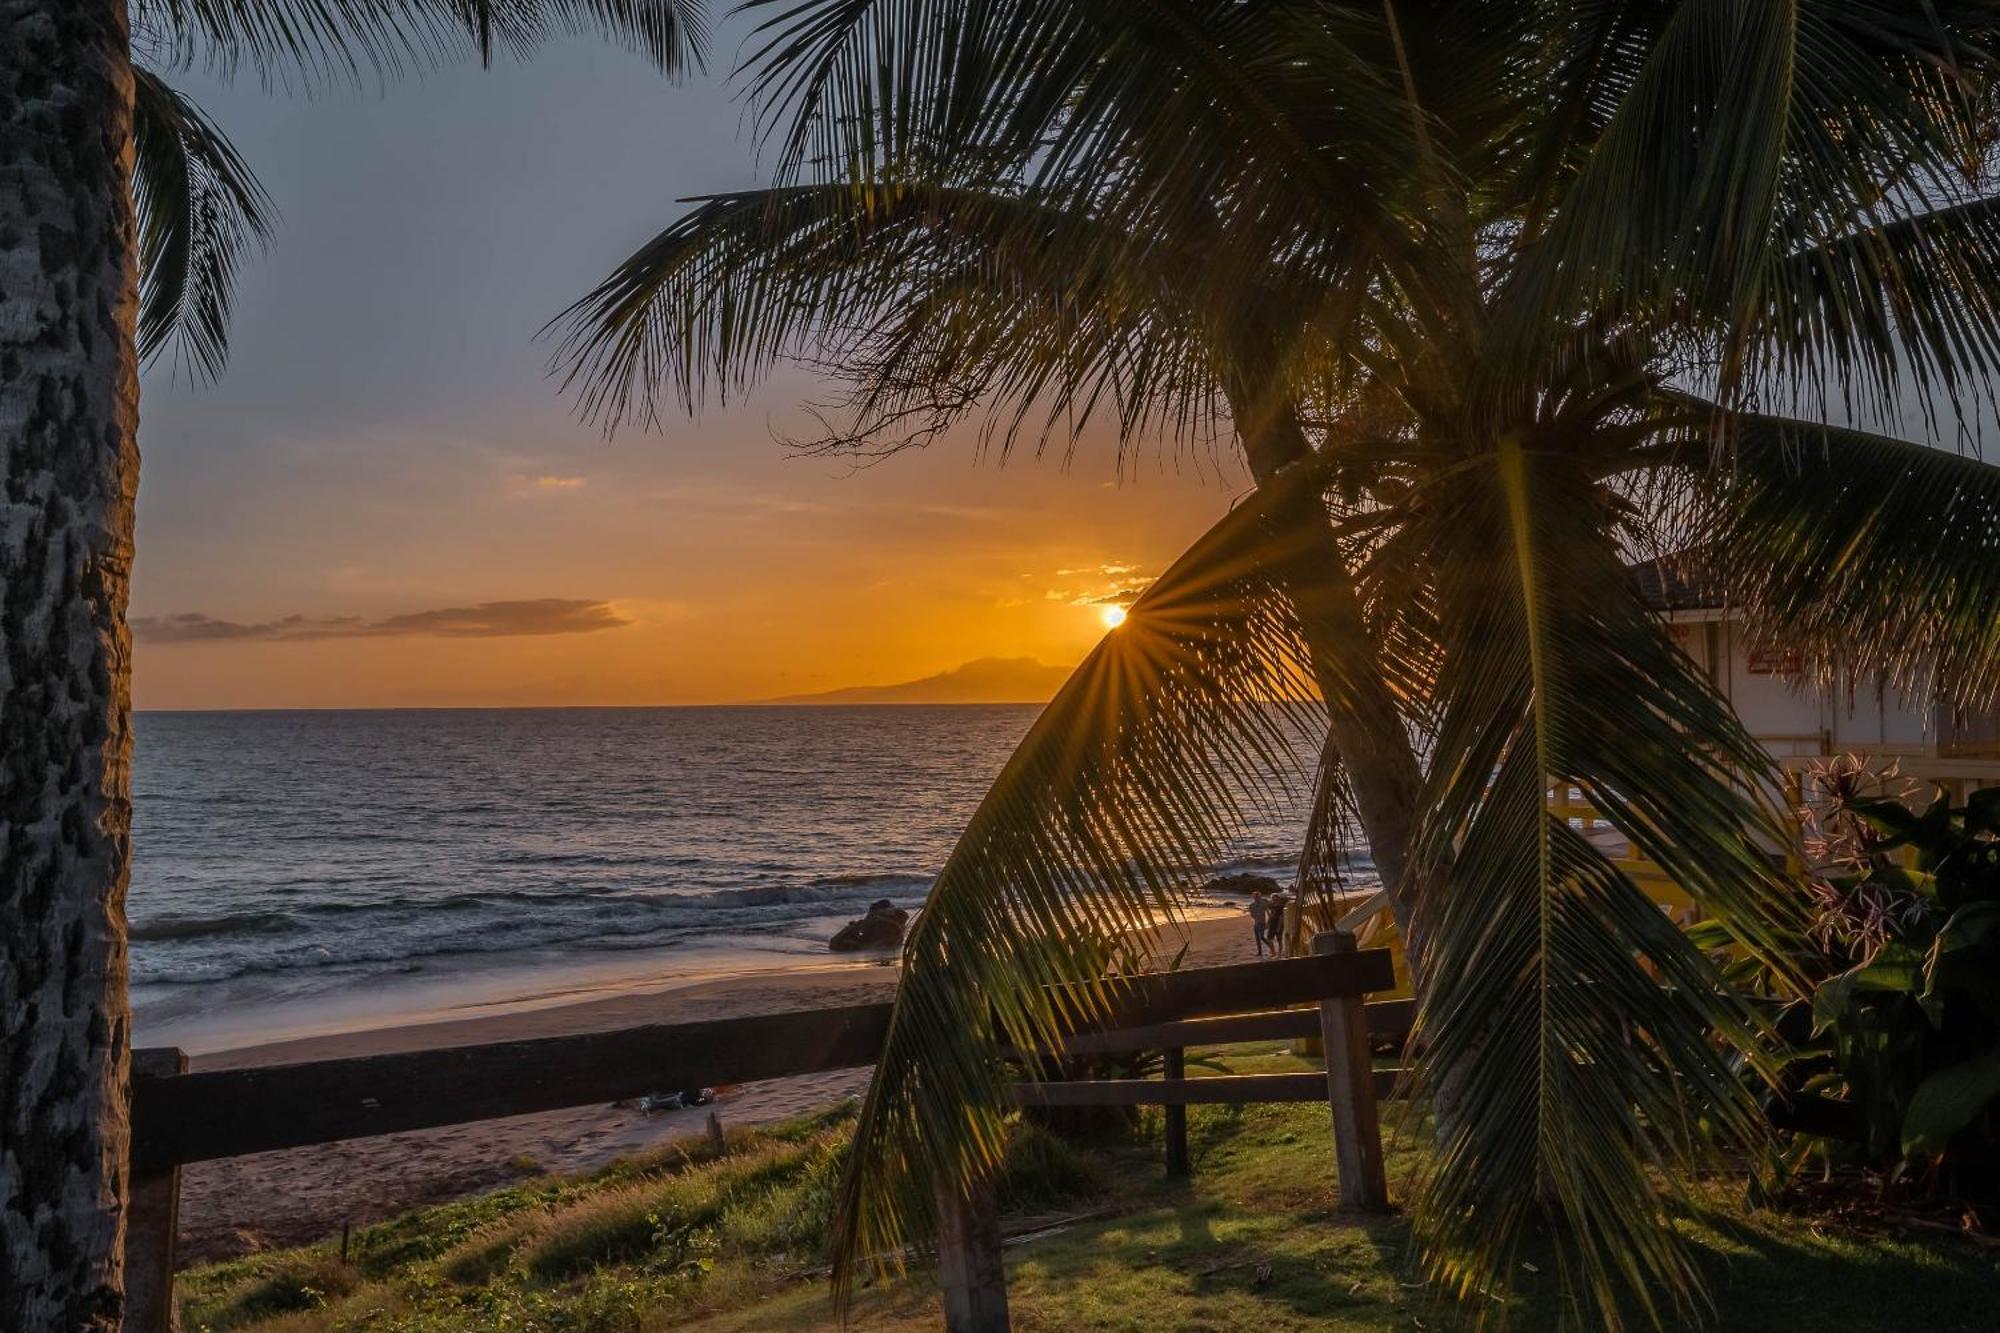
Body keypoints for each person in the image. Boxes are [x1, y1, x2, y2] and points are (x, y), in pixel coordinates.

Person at [1248, 890, 1270, 957]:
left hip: (1262, 923)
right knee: (1257, 939)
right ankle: (1260, 952)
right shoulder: (1251, 905)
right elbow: (1252, 915)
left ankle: (1271, 947)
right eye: (1255, 896)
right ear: (1253, 897)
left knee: (1261, 937)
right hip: (1256, 923)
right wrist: (1255, 915)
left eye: (1257, 896)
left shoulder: (1263, 904)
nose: (1256, 897)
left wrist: (1268, 923)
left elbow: (1268, 913)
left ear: (1260, 896)